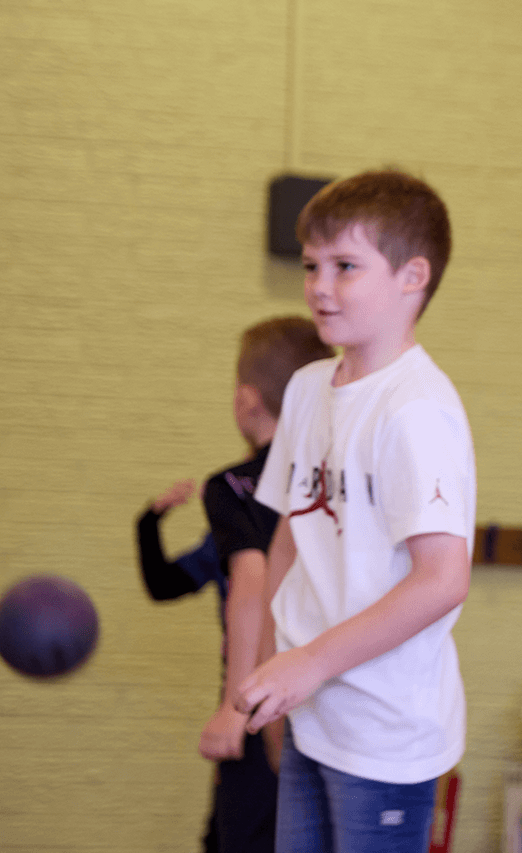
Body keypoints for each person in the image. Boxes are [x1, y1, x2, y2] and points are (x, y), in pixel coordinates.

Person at [234, 170, 476, 853]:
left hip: (384, 730)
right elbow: (292, 532)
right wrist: (270, 663)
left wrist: (308, 661)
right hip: (312, 712)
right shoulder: (311, 389)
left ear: (412, 277)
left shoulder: (416, 410)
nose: (318, 285)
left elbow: (442, 580)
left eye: (345, 266)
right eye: (312, 266)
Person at [196, 316, 335, 853]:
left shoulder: (231, 487)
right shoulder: (327, 481)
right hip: (321, 690)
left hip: (267, 693)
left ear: (246, 400)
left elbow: (251, 587)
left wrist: (237, 705)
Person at [134, 482, 227, 853]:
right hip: (243, 697)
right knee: (224, 835)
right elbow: (163, 584)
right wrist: (149, 520)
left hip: (304, 697)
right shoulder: (226, 537)